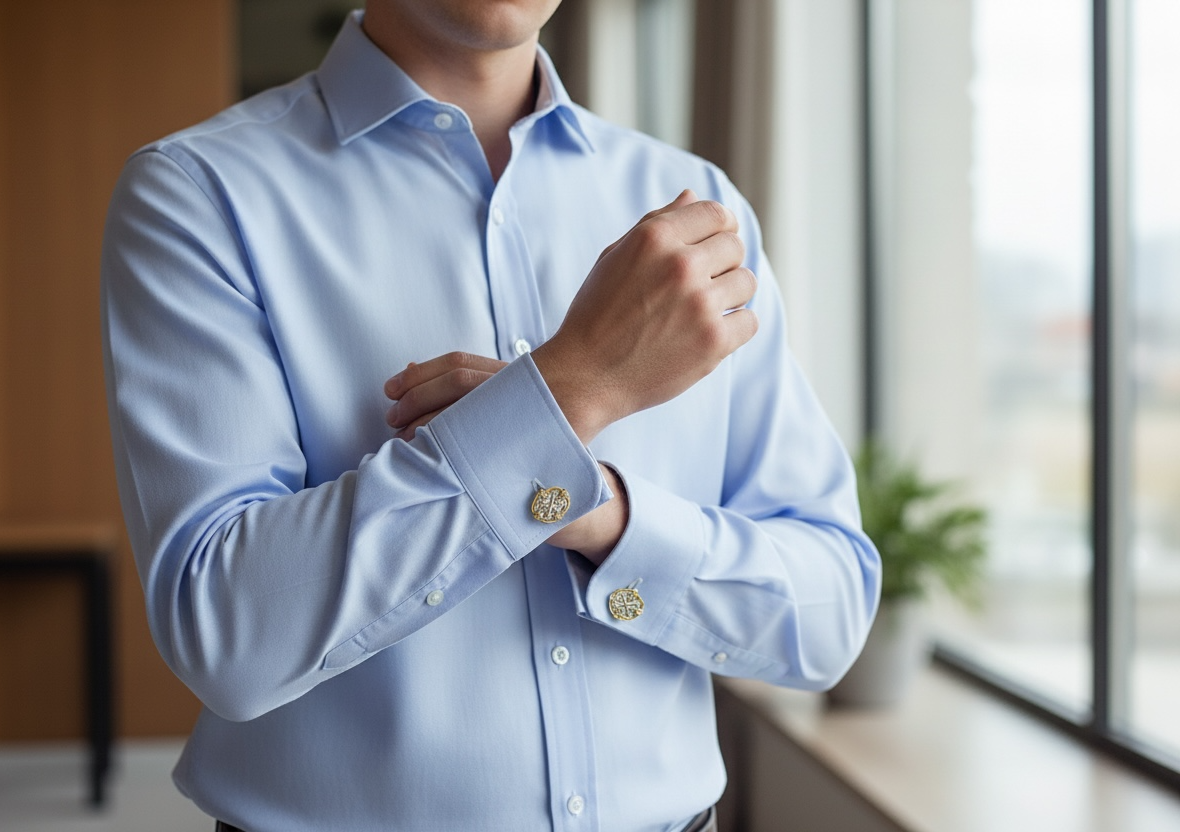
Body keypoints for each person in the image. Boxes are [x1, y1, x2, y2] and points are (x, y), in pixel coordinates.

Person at [100, 1, 881, 830]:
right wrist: (575, 386)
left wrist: (598, 515)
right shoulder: (199, 194)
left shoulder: (699, 216)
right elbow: (228, 636)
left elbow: (827, 618)